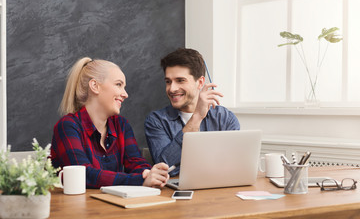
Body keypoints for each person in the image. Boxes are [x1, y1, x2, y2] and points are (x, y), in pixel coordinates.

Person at [51, 57, 169, 188]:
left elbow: (136, 163)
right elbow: (84, 175)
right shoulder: (68, 126)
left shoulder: (121, 125)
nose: (125, 94)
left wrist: (149, 174)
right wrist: (139, 180)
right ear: (95, 86)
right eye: (119, 85)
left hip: (113, 205)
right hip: (76, 206)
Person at [145, 48, 240, 176]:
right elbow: (164, 168)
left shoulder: (225, 118)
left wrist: (180, 164)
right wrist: (196, 118)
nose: (172, 89)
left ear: (200, 82)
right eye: (168, 82)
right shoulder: (156, 121)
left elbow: (234, 166)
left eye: (180, 80)